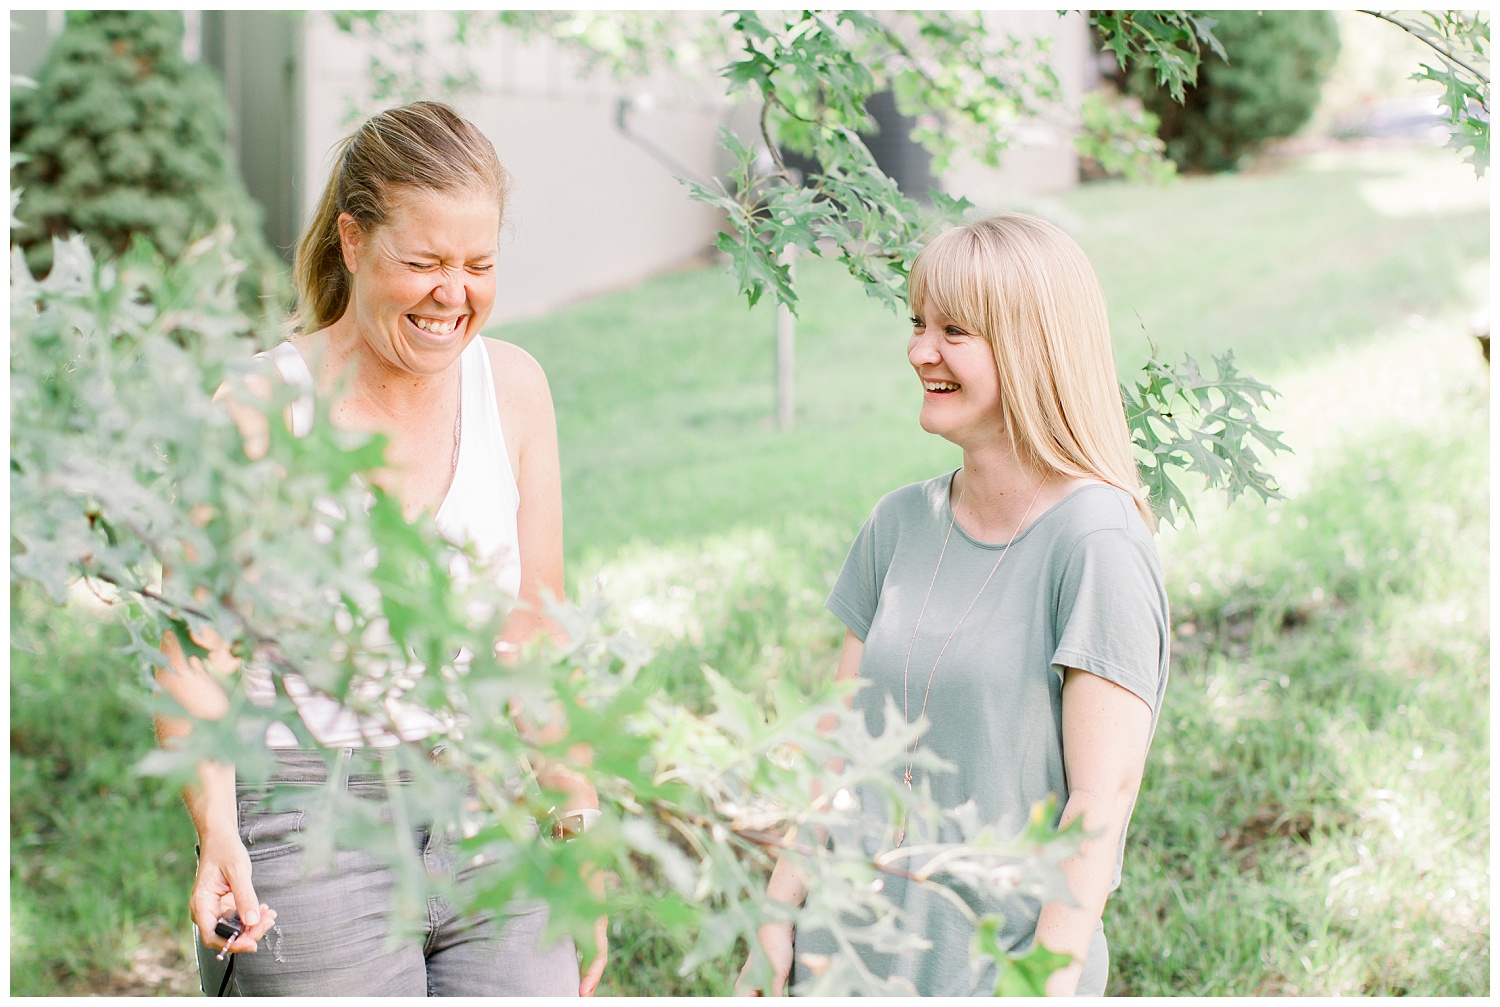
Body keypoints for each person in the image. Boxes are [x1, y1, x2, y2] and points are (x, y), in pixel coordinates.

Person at [152, 101, 607, 996]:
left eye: (479, 265)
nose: (455, 293)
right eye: (426, 262)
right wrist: (217, 830)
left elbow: (535, 630)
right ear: (354, 242)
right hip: (306, 814)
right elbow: (192, 655)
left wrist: (578, 818)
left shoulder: (515, 389)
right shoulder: (255, 410)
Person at [737, 213, 1169, 997]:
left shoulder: (1096, 541)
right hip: (840, 963)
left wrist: (1036, 983)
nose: (919, 350)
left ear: (1032, 349)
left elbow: (1099, 804)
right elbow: (841, 752)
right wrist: (776, 914)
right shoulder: (897, 523)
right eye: (917, 323)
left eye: (954, 330)